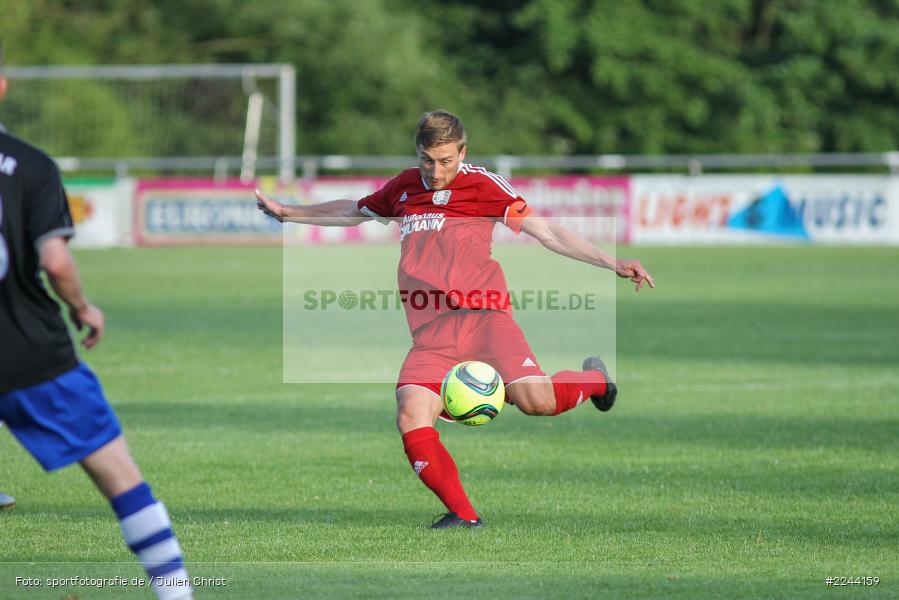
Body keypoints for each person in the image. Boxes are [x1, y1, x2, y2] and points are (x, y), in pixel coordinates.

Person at [255, 110, 654, 529]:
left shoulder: (482, 185)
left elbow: (548, 232)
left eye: (446, 160)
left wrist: (612, 262)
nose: (437, 169)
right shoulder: (404, 188)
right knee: (410, 413)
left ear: (462, 152)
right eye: (428, 159)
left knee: (536, 401)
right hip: (430, 333)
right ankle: (463, 516)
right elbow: (353, 211)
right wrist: (288, 213)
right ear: (419, 154)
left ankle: (596, 382)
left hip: (485, 318)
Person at [0, 127, 193, 597]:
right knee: (120, 478)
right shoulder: (28, 163)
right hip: (26, 348)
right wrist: (82, 308)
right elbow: (56, 262)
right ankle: (175, 592)